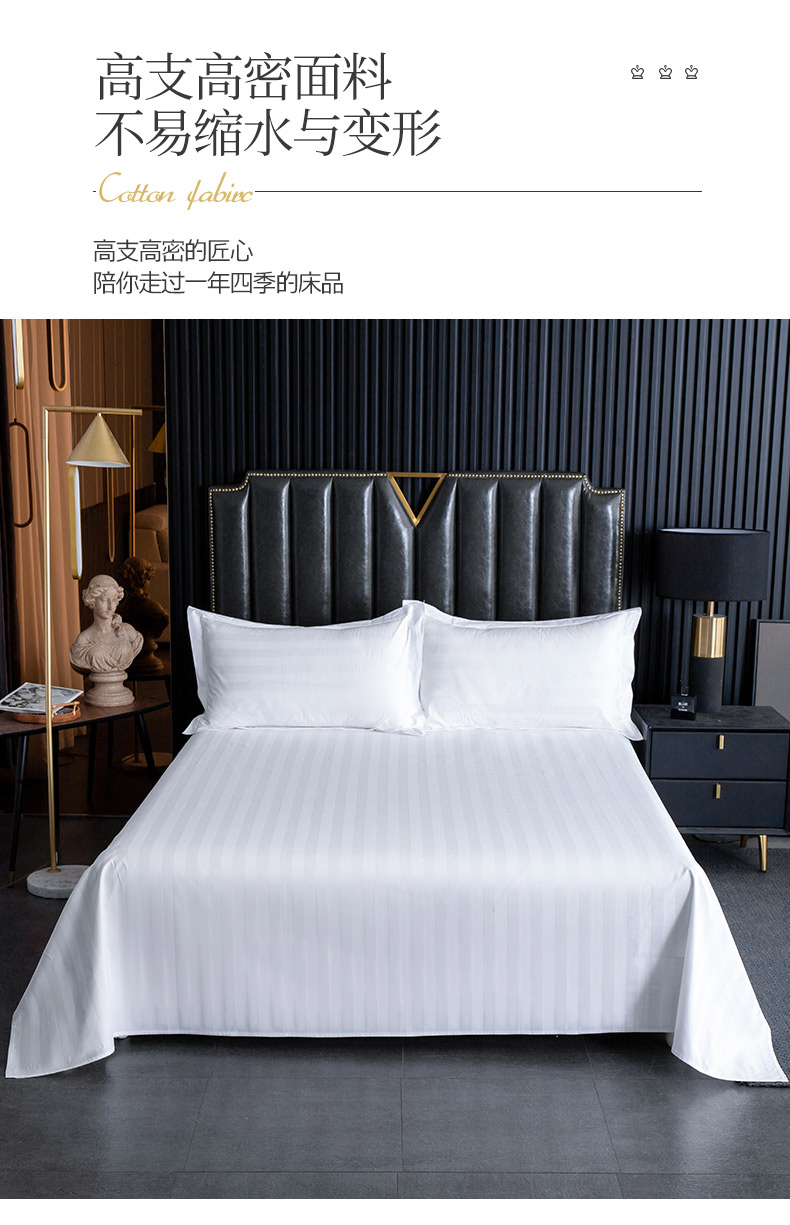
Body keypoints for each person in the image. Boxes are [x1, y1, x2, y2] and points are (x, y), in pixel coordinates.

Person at [69, 575, 143, 674]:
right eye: (104, 600)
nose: (110, 606)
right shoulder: (83, 641)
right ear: (92, 601)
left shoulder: (129, 632)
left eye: (114, 600)